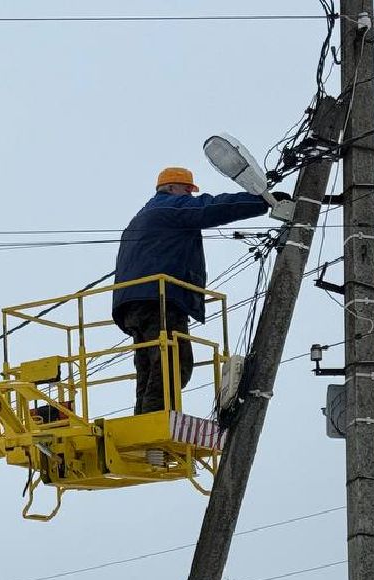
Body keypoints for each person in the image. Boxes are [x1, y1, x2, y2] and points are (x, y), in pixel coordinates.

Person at [112, 167, 274, 414]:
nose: (189, 194)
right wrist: (259, 203)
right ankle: (157, 419)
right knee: (176, 363)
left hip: (132, 304)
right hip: (160, 299)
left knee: (149, 367)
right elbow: (210, 207)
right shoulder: (169, 208)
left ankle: (145, 421)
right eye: (187, 189)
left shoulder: (140, 219)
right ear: (171, 188)